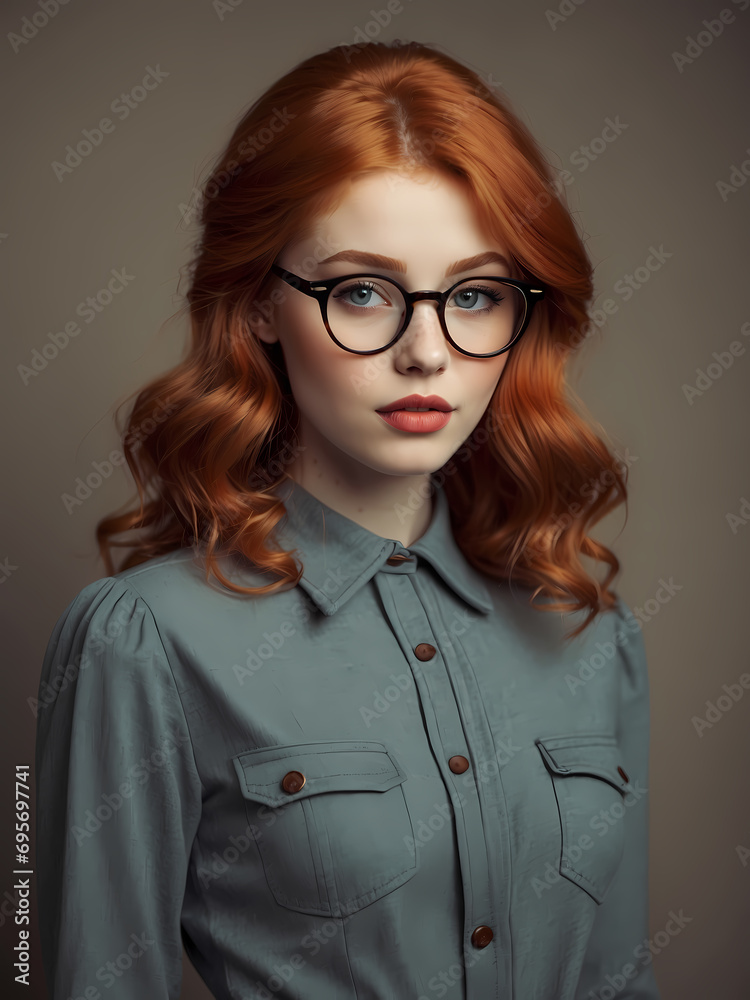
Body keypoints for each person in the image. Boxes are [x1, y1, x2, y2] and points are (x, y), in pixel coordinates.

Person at [35, 39, 661, 1000]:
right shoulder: (146, 640)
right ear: (256, 305)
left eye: (476, 296)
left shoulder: (588, 632)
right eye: (361, 291)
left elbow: (620, 979)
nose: (426, 354)